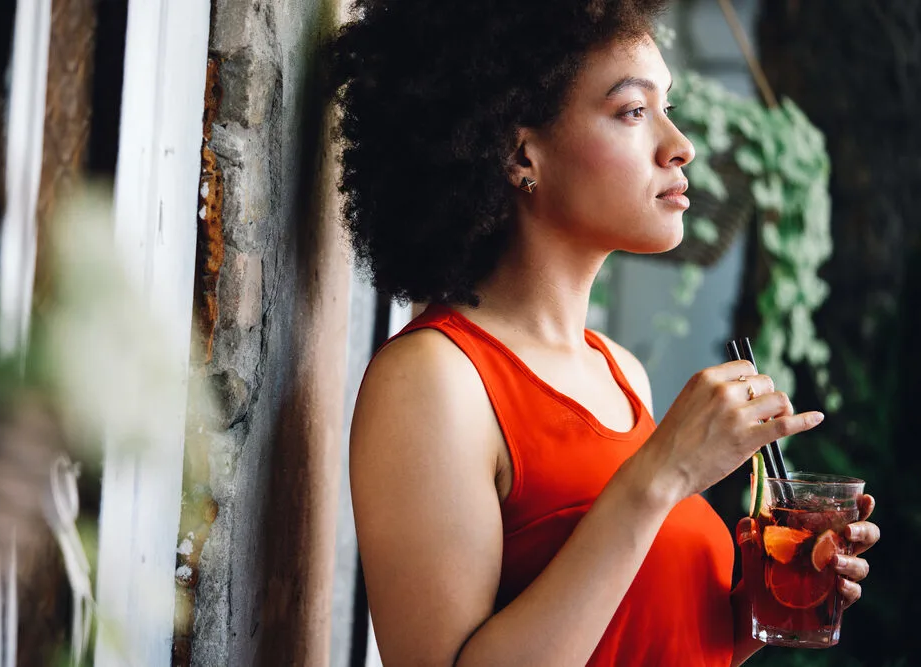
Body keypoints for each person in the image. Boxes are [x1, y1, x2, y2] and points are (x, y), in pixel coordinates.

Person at [328, 1, 881, 665]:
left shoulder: (620, 372)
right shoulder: (434, 380)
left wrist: (763, 605)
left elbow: (640, 640)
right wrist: (662, 473)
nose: (681, 145)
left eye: (666, 106)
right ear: (518, 151)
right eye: (632, 111)